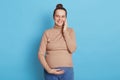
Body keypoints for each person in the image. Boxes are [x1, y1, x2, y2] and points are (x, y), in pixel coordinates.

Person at [38, 3, 77, 80]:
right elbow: (40, 54)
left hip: (67, 72)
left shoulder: (70, 31)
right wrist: (48, 69)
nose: (60, 19)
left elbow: (72, 49)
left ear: (66, 18)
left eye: (63, 16)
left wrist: (65, 31)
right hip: (50, 73)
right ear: (53, 17)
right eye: (57, 16)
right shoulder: (47, 32)